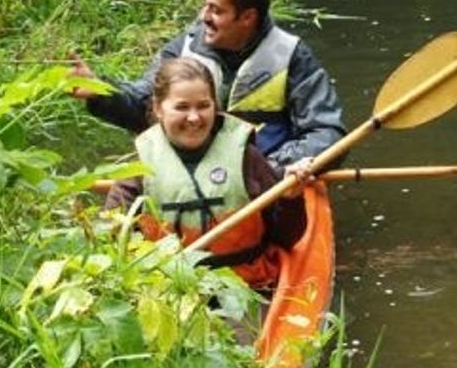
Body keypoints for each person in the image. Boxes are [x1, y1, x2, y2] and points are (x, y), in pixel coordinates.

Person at [71, 0, 345, 175]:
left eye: (216, 10)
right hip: (192, 174)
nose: (204, 17)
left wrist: (266, 169)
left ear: (248, 17)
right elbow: (143, 103)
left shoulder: (292, 56)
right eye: (205, 5)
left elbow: (327, 133)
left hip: (266, 181)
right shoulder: (183, 48)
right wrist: (99, 92)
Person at [105, 57, 309, 289]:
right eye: (182, 107)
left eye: (203, 106)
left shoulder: (246, 158)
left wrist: (291, 199)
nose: (194, 117)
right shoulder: (140, 167)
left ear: (215, 106)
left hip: (244, 287)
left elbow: (288, 237)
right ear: (158, 109)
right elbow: (112, 242)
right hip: (168, 289)